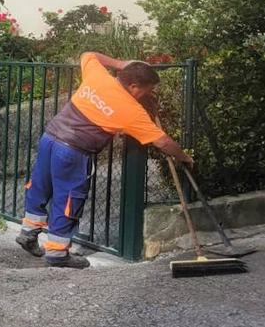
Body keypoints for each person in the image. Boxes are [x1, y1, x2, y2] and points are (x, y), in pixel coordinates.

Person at [17, 52, 192, 269]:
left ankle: (28, 232)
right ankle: (57, 253)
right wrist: (184, 156)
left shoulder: (98, 77)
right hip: (73, 151)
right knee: (68, 199)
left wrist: (121, 63)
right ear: (134, 86)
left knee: (40, 187)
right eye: (147, 90)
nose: (147, 95)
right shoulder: (131, 111)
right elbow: (163, 142)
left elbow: (88, 55)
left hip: (50, 138)